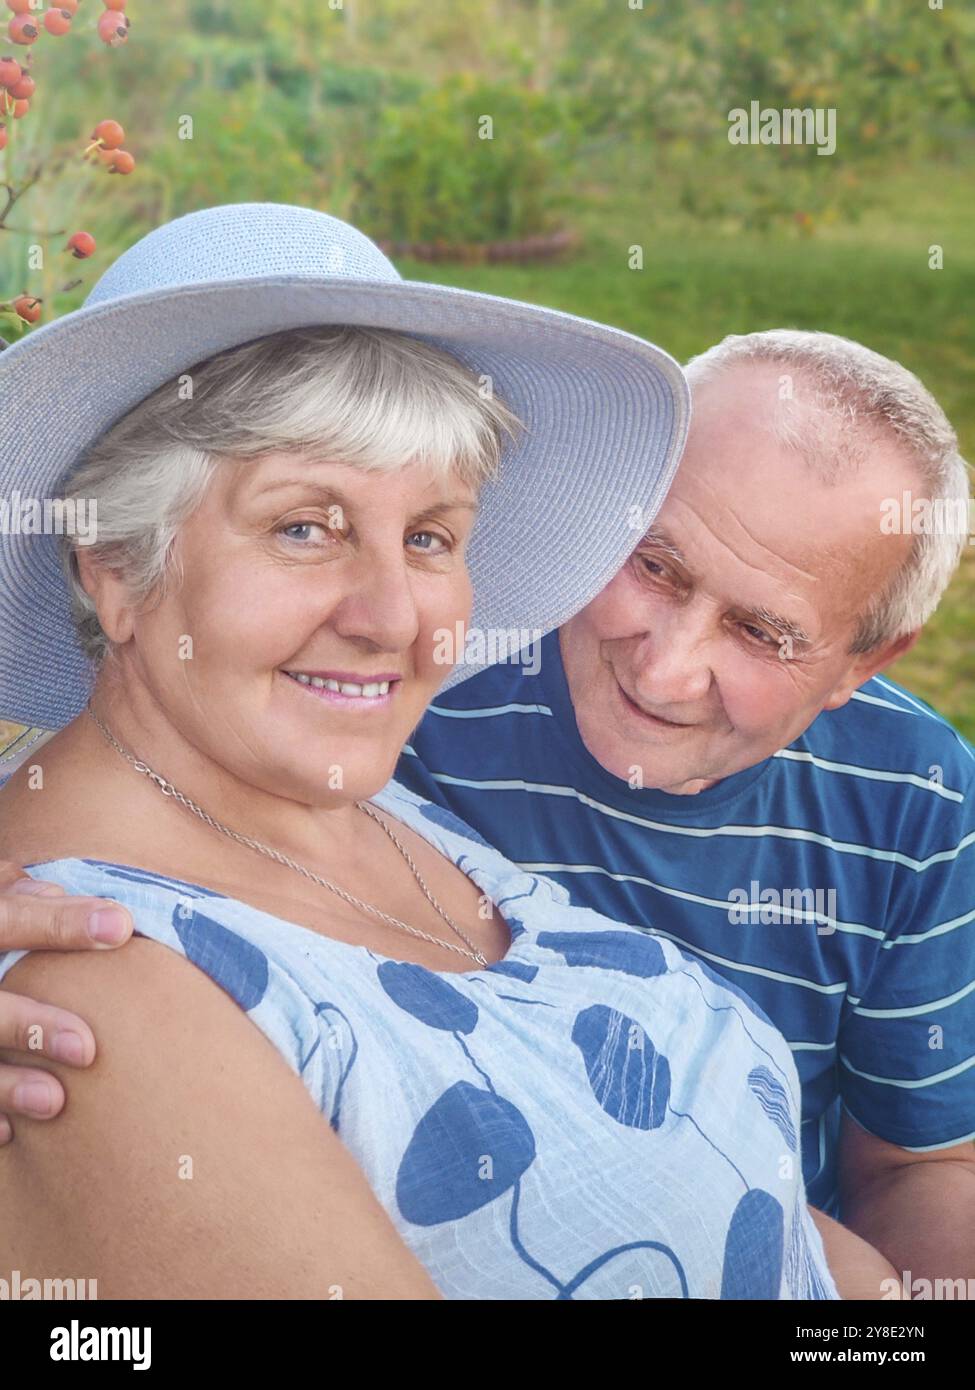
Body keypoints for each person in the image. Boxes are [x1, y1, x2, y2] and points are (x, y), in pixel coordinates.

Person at [0, 201, 839, 1299]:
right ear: (112, 562)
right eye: (307, 525)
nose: (395, 618)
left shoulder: (362, 802)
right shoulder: (88, 991)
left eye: (430, 535)